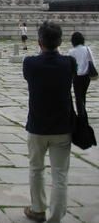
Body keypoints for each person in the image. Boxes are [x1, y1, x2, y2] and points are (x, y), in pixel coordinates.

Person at [23, 22, 74, 223]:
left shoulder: (30, 63)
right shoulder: (69, 63)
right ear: (60, 41)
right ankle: (55, 216)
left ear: (39, 42)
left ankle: (37, 209)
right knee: (60, 174)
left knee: (36, 169)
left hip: (37, 126)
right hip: (62, 127)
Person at [68, 32, 95, 119]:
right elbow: (92, 61)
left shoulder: (71, 51)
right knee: (83, 95)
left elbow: (70, 65)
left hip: (76, 76)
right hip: (87, 76)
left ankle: (81, 115)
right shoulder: (87, 49)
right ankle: (83, 113)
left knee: (78, 96)